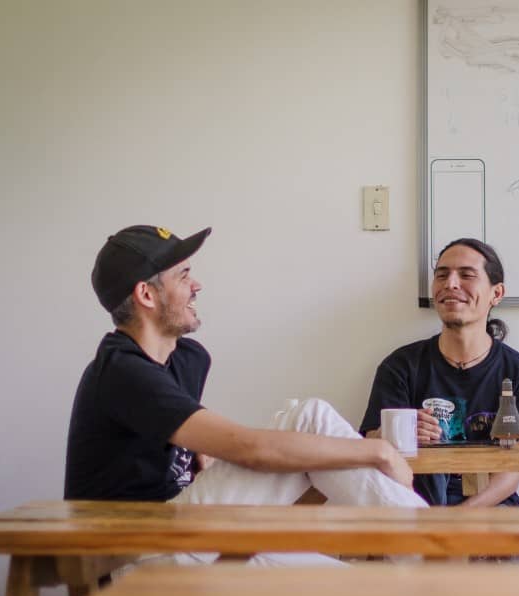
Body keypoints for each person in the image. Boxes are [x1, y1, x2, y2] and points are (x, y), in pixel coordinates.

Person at [65, 225, 427, 563]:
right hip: (138, 554)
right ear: (146, 294)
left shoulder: (187, 358)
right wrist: (378, 451)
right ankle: (435, 554)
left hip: (181, 534)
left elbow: (192, 450)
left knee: (350, 588)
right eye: (184, 275)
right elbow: (251, 451)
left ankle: (432, 568)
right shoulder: (121, 371)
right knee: (309, 417)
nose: (197, 285)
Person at [360, 238, 519, 507]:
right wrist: (398, 432)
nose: (451, 284)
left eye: (467, 275)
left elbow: (515, 469)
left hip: (490, 507)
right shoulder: (401, 366)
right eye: (442, 275)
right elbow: (369, 442)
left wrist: (458, 519)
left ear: (497, 293)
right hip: (410, 503)